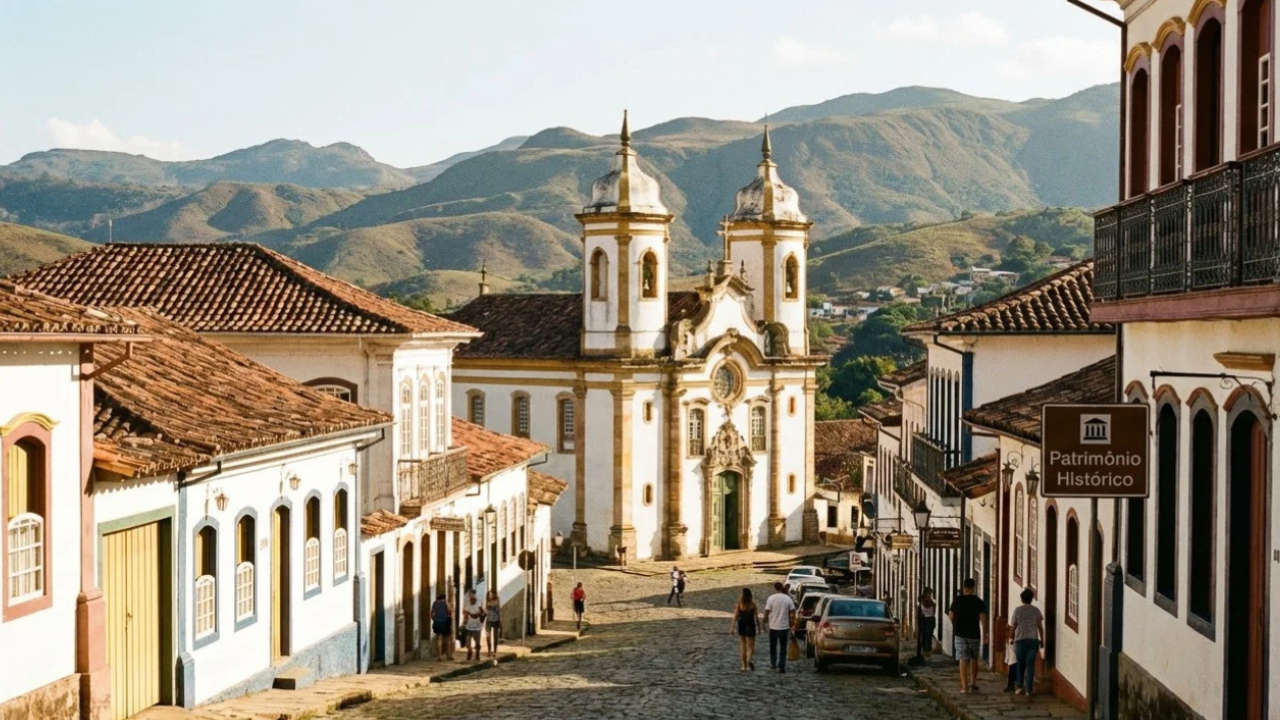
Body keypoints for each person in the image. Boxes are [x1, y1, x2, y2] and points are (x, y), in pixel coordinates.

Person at [947, 578, 988, 694]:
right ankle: (973, 682)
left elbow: (951, 615)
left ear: (964, 588)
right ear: (973, 588)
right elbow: (983, 620)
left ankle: (964, 686)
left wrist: (955, 624)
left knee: (963, 659)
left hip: (960, 634)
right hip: (974, 634)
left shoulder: (957, 601)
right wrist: (985, 634)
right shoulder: (978, 602)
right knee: (974, 658)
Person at [1008, 588, 1045, 699]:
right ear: (1031, 599)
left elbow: (1013, 626)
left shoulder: (1017, 610)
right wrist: (1042, 640)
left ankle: (1019, 687)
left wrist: (1011, 637)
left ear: (1022, 598)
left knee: (1020, 663)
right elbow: (1040, 627)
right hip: (1032, 640)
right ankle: (1029, 690)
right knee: (1030, 665)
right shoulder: (1036, 610)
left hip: (1020, 641)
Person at [762, 582, 796, 673]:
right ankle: (782, 665)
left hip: (773, 626)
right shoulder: (787, 598)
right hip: (784, 627)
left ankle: (773, 664)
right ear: (782, 588)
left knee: (773, 647)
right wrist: (792, 622)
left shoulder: (771, 598)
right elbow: (793, 611)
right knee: (783, 647)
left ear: (775, 588)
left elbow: (767, 611)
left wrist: (764, 622)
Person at [730, 587, 759, 672]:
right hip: (751, 624)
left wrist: (732, 627)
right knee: (751, 646)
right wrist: (759, 627)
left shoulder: (740, 603)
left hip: (741, 624)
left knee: (743, 646)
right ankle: (749, 659)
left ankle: (744, 666)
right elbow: (756, 617)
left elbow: (735, 615)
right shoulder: (753, 604)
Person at [430, 592, 453, 661]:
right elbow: (449, 612)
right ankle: (448, 655)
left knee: (439, 639)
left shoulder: (435, 603)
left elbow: (431, 613)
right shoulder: (445, 603)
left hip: (436, 623)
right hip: (444, 623)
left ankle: (439, 656)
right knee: (447, 640)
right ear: (444, 598)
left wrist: (434, 620)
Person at [463, 589, 484, 661]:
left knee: (477, 642)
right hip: (469, 626)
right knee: (468, 642)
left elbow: (482, 613)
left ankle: (477, 653)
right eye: (469, 596)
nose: (470, 597)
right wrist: (464, 623)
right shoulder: (467, 604)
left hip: (477, 626)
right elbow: (465, 614)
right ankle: (470, 651)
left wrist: (479, 617)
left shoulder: (478, 604)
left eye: (471, 595)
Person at [917, 588, 937, 660]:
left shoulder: (933, 602)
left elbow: (933, 612)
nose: (929, 595)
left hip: (930, 619)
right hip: (924, 620)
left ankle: (928, 651)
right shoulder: (921, 602)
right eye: (928, 593)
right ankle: (925, 650)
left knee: (929, 635)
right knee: (924, 635)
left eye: (930, 594)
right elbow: (918, 613)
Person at [484, 589, 502, 659]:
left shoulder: (496, 600)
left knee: (495, 636)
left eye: (491, 594)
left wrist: (494, 607)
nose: (490, 596)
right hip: (488, 620)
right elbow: (486, 611)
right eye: (489, 595)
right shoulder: (487, 602)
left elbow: (498, 610)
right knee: (488, 636)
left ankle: (494, 651)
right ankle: (489, 650)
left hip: (495, 620)